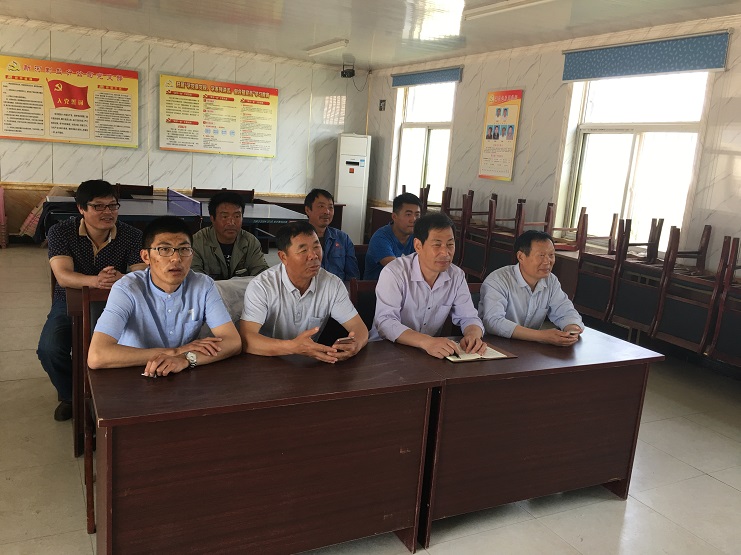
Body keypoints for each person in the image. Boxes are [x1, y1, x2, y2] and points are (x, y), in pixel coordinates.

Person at [37, 179, 145, 421]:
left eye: (112, 205)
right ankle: (71, 395)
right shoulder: (61, 232)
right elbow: (63, 276)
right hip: (69, 300)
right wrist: (97, 280)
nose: (108, 212)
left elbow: (140, 275)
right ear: (81, 208)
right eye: (98, 206)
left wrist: (121, 278)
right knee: (50, 349)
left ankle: (115, 398)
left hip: (117, 302)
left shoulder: (132, 235)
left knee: (133, 345)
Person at [88, 216, 241, 375]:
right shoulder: (127, 288)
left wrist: (186, 358)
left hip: (180, 372)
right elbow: (97, 356)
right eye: (164, 249)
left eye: (184, 249)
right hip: (133, 373)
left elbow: (233, 342)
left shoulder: (203, 285)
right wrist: (175, 352)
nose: (176, 258)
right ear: (146, 257)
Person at [240, 220, 368, 363]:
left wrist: (356, 344)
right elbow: (247, 339)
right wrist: (293, 347)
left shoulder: (332, 284)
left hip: (310, 364)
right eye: (303, 250)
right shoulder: (262, 286)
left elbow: (358, 327)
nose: (313, 255)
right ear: (283, 257)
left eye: (316, 246)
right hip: (266, 362)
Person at [371, 212, 487, 359]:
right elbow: (386, 322)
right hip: (384, 350)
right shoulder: (395, 272)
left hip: (427, 353)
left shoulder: (456, 276)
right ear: (418, 245)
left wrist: (473, 335)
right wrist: (426, 342)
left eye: (450, 244)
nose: (445, 252)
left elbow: (469, 317)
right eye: (437, 245)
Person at [478, 230, 583, 346]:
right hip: (495, 346)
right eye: (541, 255)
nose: (547, 261)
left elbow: (565, 311)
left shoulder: (551, 281)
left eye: (551, 255)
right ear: (521, 257)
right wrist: (541, 336)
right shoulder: (498, 280)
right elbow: (493, 322)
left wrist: (571, 329)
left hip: (530, 347)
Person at [191, 191, 268, 280]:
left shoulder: (251, 242)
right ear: (212, 218)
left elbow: (262, 275)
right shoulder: (197, 242)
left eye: (237, 216)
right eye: (225, 217)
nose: (231, 223)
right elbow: (193, 278)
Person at [304, 188, 359, 281]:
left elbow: (352, 276)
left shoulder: (343, 239)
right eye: (321, 206)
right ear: (308, 210)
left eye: (330, 207)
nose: (327, 212)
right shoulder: (298, 238)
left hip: (338, 288)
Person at [363, 192, 422, 280]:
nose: (413, 219)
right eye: (408, 214)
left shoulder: (419, 236)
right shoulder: (380, 237)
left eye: (417, 215)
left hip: (410, 286)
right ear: (394, 216)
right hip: (376, 287)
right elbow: (395, 268)